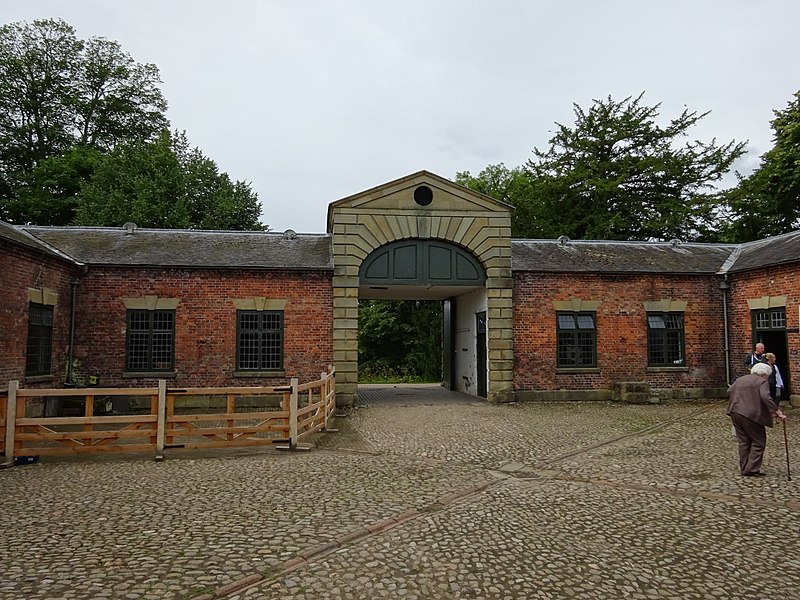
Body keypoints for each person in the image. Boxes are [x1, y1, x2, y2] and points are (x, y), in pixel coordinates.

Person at [727, 361, 787, 477]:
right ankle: (751, 469)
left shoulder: (741, 379)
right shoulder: (762, 381)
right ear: (764, 374)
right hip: (751, 415)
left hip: (735, 412)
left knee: (743, 442)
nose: (768, 378)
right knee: (759, 442)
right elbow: (765, 397)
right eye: (768, 376)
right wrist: (777, 411)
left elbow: (729, 391)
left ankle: (744, 468)